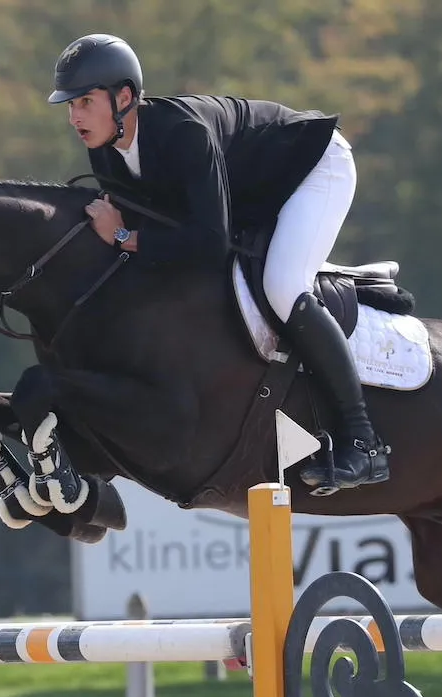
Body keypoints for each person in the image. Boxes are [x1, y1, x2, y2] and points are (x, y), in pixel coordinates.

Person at [47, 33, 389, 491]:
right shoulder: (104, 149)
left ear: (124, 97)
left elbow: (207, 243)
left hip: (314, 167)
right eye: (70, 106)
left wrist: (126, 237)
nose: (74, 117)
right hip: (254, 193)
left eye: (85, 102)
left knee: (283, 286)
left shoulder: (182, 133)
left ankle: (363, 443)